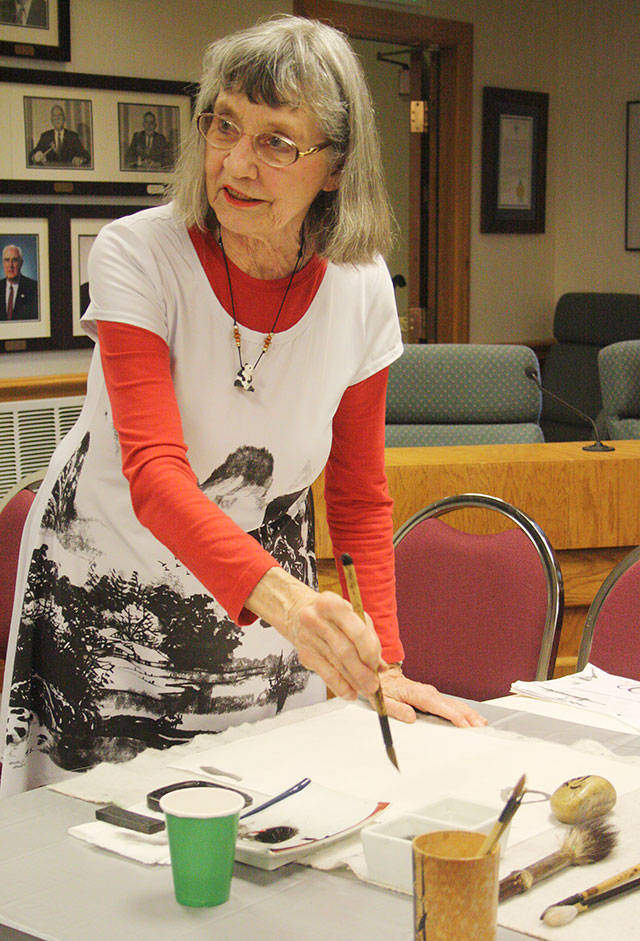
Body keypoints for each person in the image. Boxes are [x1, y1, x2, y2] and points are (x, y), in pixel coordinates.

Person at [0, 15, 484, 797]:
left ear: (334, 167)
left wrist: (382, 664)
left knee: (268, 825)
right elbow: (156, 475)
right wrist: (297, 608)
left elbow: (359, 497)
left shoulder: (360, 287)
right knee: (104, 859)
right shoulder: (137, 253)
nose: (235, 161)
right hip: (110, 602)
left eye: (276, 141)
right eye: (225, 124)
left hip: (261, 625)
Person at [0, 244, 38, 321]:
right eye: (7, 260)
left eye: (14, 260)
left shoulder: (34, 288)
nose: (10, 265)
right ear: (3, 263)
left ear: (21, 263)